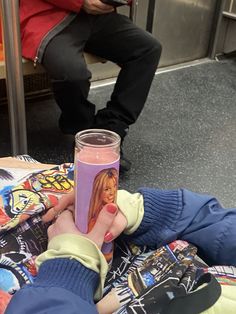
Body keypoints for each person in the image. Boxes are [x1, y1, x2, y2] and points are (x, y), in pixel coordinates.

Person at [19, 0, 162, 173]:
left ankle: (110, 128)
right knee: (71, 74)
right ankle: (84, 130)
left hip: (97, 16)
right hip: (49, 18)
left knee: (148, 49)